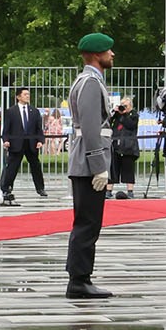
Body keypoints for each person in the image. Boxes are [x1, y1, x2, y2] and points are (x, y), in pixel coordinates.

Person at [64, 34, 116, 298]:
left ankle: (79, 277)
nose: (112, 54)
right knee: (88, 223)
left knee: (86, 222)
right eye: (108, 50)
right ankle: (79, 280)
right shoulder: (91, 83)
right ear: (97, 55)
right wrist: (99, 166)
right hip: (88, 163)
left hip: (86, 160)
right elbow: (90, 129)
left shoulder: (88, 81)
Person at [0, 86, 46, 205]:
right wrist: (6, 140)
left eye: (28, 94)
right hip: (16, 144)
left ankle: (40, 188)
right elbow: (6, 129)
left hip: (31, 144)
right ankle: (6, 188)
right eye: (25, 94)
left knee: (36, 166)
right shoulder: (11, 111)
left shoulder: (34, 111)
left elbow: (39, 128)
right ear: (18, 97)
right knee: (12, 167)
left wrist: (40, 140)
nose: (27, 96)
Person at [106, 92, 140, 194]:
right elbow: (108, 122)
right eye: (122, 105)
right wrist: (114, 112)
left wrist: (124, 114)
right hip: (116, 145)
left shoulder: (133, 115)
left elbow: (130, 125)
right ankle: (108, 191)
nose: (123, 107)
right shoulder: (117, 115)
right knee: (112, 168)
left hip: (128, 146)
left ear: (130, 106)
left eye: (125, 105)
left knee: (128, 169)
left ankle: (130, 191)